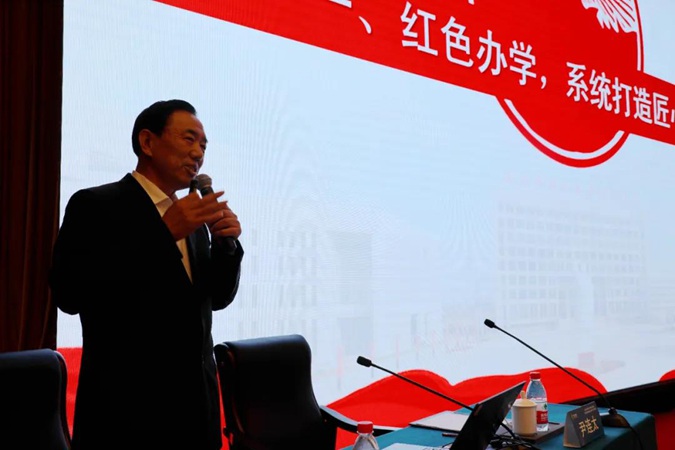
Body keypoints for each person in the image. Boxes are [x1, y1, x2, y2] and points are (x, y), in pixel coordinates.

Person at [49, 99, 243, 449]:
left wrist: (225, 247)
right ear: (148, 142)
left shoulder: (192, 217)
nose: (198, 153)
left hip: (196, 413)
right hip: (127, 414)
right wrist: (162, 234)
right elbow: (70, 294)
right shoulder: (95, 205)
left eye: (203, 145)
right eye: (189, 139)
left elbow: (214, 299)